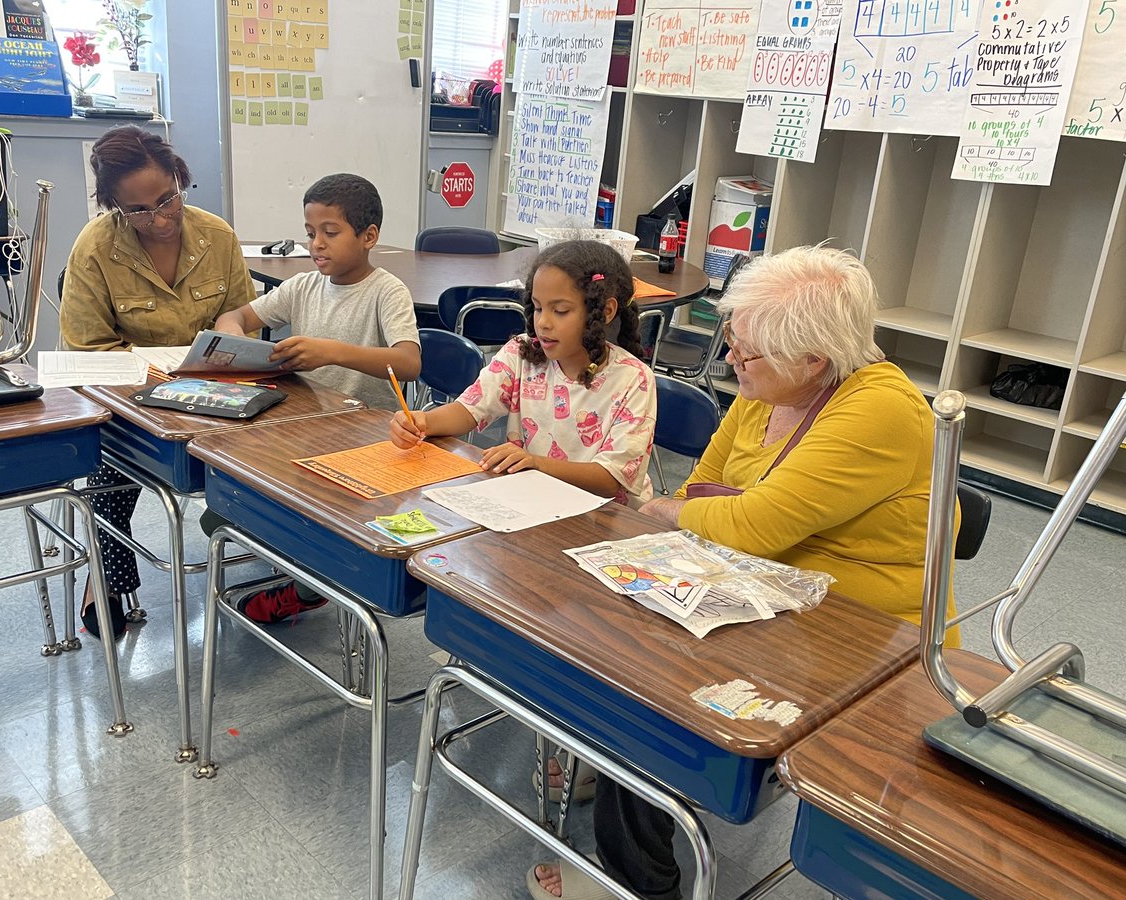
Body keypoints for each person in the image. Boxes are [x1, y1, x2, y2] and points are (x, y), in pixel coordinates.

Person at [528, 245, 959, 900]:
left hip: (868, 641)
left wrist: (704, 513)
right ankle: (622, 768)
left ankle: (637, 879)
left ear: (814, 360)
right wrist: (709, 512)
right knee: (609, 637)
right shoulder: (770, 386)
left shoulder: (880, 410)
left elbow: (746, 523)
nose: (730, 360)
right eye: (732, 342)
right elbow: (705, 490)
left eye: (745, 352)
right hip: (758, 593)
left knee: (649, 688)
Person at [60, 125, 256, 641]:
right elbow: (85, 348)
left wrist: (232, 337)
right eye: (140, 210)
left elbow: (243, 315)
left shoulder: (217, 236)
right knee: (110, 475)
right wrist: (150, 371)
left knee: (272, 455)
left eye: (167, 198)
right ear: (114, 206)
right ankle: (106, 575)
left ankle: (283, 567)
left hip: (214, 391)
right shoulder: (96, 249)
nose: (161, 218)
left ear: (179, 177)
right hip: (130, 400)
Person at [207, 172, 421, 624]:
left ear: (369, 237)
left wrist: (332, 353)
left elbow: (408, 363)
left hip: (365, 437)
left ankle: (309, 585)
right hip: (304, 425)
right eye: (309, 233)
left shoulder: (387, 291)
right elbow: (235, 316)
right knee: (244, 480)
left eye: (330, 232)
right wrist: (235, 338)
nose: (316, 244)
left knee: (316, 512)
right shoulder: (303, 286)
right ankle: (281, 550)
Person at [389, 239, 656, 504]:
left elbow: (610, 480)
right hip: (535, 502)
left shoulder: (634, 379)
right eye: (538, 307)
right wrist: (423, 422)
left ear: (605, 311)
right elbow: (470, 409)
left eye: (560, 311)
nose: (543, 322)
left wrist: (537, 464)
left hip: (606, 520)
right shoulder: (522, 353)